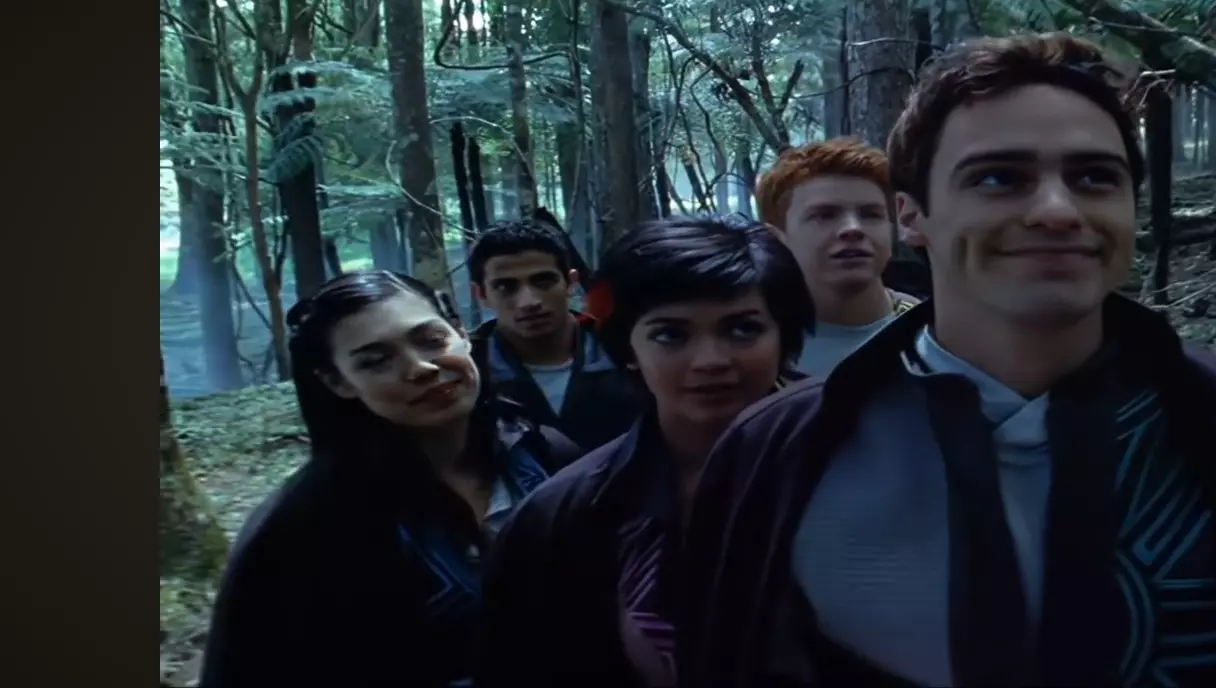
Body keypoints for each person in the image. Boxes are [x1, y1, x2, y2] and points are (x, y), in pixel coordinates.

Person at [680, 33, 1216, 688]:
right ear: (912, 217)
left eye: (1094, 177)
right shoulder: (781, 452)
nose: (1058, 210)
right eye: (999, 177)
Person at [477, 217, 815, 688]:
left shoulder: (861, 464)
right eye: (671, 335)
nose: (710, 360)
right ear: (628, 348)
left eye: (742, 329)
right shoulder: (561, 518)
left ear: (783, 335)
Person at [199, 271, 580, 688]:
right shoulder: (305, 525)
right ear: (337, 381)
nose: (420, 368)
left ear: (460, 332)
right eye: (375, 361)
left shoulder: (546, 455)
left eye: (431, 340)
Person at [467, 220, 642, 458]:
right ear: (481, 294)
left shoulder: (626, 349)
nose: (529, 302)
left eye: (543, 281)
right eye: (505, 287)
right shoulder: (470, 370)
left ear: (571, 283)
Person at [756, 137, 920, 376]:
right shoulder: (753, 348)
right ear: (777, 239)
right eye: (825, 215)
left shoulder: (934, 333)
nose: (853, 228)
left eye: (870, 214)